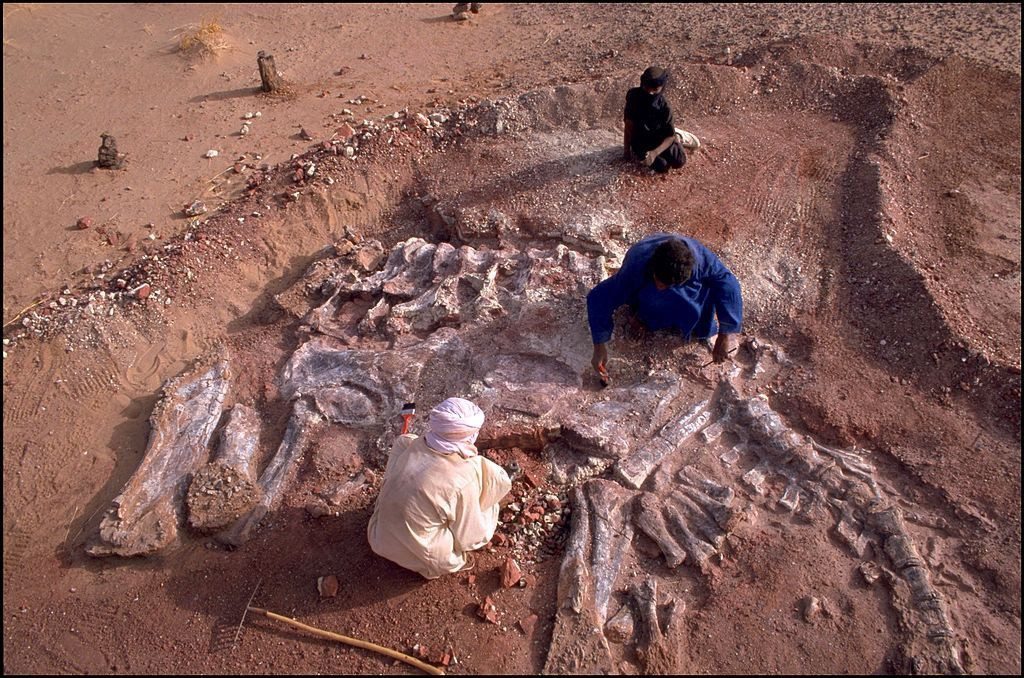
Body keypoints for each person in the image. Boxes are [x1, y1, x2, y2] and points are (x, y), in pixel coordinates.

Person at [367, 397, 511, 579]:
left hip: (378, 536)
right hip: (420, 556)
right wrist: (489, 504)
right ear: (471, 435)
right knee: (489, 504)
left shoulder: (409, 445)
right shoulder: (463, 480)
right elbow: (471, 539)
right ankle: (443, 563)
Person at [587, 233, 743, 377]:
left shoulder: (702, 262)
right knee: (654, 296)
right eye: (659, 281)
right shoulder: (637, 264)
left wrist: (725, 334)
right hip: (645, 282)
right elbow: (599, 298)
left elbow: (728, 285)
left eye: (665, 284)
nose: (660, 287)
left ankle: (696, 323)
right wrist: (599, 345)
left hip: (684, 285)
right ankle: (643, 316)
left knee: (694, 305)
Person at [623, 66, 701, 173]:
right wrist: (626, 151)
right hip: (641, 137)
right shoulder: (633, 96)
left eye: (654, 90)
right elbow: (629, 126)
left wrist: (654, 153)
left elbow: (669, 136)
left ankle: (678, 136)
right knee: (661, 166)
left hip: (661, 136)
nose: (650, 93)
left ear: (661, 88)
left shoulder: (664, 106)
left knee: (679, 161)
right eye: (647, 88)